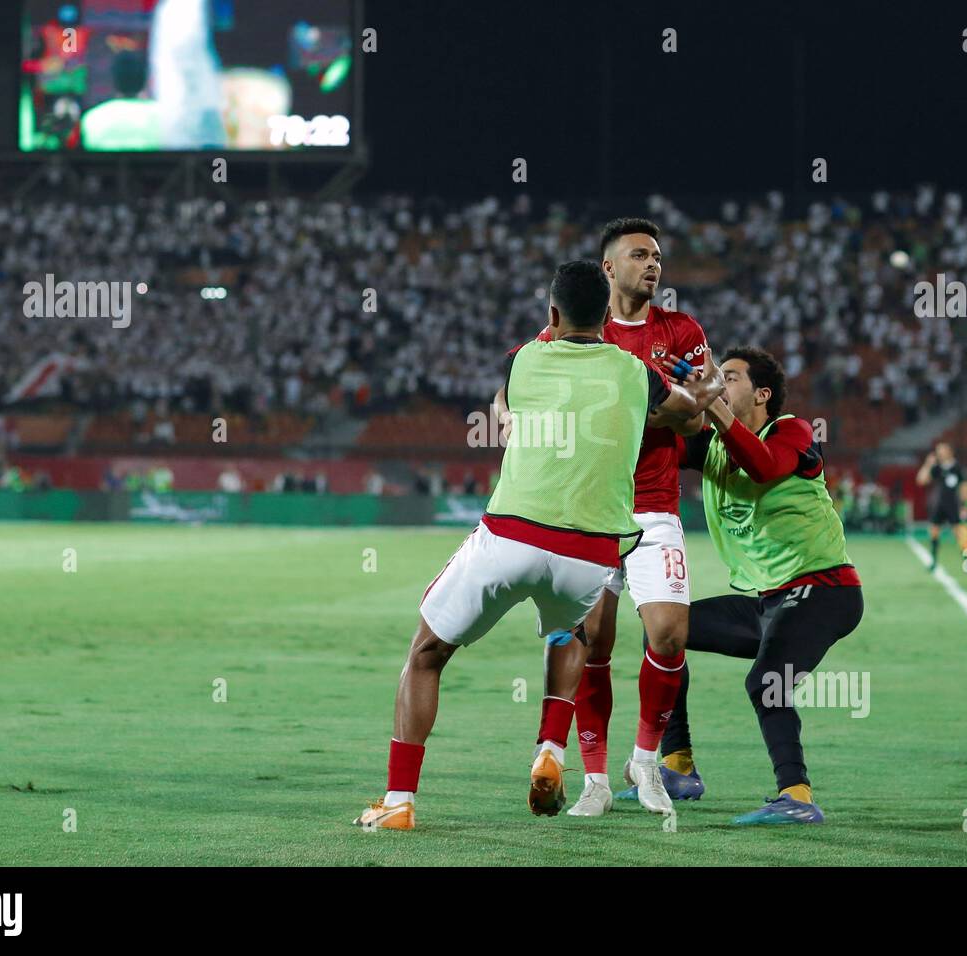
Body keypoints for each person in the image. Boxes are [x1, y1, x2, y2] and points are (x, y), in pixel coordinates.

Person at [354, 260, 722, 830]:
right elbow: (690, 418)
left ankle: (399, 801)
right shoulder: (635, 373)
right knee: (568, 632)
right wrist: (703, 392)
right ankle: (551, 745)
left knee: (426, 654)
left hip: (513, 535)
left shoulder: (523, 360)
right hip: (590, 555)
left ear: (551, 315)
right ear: (608, 315)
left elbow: (505, 414)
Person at [501, 218, 716, 818]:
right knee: (593, 641)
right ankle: (594, 777)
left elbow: (697, 417)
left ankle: (644, 762)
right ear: (608, 268)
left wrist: (675, 404)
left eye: (657, 256)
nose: (653, 265)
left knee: (669, 632)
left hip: (652, 505)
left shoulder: (681, 331)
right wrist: (506, 413)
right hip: (590, 508)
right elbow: (514, 377)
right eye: (639, 254)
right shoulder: (574, 331)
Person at [632, 346, 863, 824]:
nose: (720, 382)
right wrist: (656, 384)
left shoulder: (791, 431)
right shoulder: (713, 442)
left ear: (762, 394)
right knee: (664, 631)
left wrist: (710, 403)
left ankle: (797, 797)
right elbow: (652, 439)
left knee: (766, 682)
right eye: (719, 376)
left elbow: (762, 466)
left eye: (730, 377)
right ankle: (677, 768)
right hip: (769, 602)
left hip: (824, 589)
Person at [915, 442, 967, 572]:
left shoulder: (958, 467)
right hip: (939, 505)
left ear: (950, 451)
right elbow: (921, 480)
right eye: (938, 450)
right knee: (934, 532)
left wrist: (965, 506)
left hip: (954, 504)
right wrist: (928, 464)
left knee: (960, 534)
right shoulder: (937, 467)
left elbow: (966, 488)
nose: (940, 453)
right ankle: (934, 561)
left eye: (943, 450)